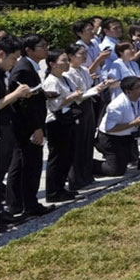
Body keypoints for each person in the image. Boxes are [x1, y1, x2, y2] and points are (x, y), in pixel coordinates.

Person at [6, 35, 52, 218]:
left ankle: (17, 203)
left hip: (27, 125)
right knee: (28, 165)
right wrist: (36, 128)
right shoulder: (24, 69)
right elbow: (25, 104)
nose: (46, 49)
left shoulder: (29, 67)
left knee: (21, 163)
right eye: (42, 46)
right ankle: (27, 204)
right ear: (29, 50)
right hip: (27, 127)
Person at [0, 36, 34, 231]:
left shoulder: (0, 72)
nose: (15, 63)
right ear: (1, 54)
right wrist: (16, 94)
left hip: (5, 128)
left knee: (0, 172)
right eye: (13, 58)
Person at [42, 49, 87, 202]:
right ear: (52, 64)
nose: (67, 63)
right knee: (57, 157)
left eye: (67, 60)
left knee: (67, 156)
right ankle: (53, 191)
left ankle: (61, 188)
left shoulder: (64, 78)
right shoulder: (51, 81)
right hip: (55, 122)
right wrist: (70, 97)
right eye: (63, 60)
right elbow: (54, 106)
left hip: (68, 120)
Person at [65, 43, 104, 191]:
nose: (84, 56)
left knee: (88, 141)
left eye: (85, 53)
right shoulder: (68, 72)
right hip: (78, 108)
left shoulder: (84, 70)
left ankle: (87, 175)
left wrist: (98, 87)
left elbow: (87, 87)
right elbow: (76, 95)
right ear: (71, 56)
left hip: (88, 106)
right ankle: (76, 178)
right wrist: (93, 90)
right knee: (78, 144)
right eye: (81, 54)